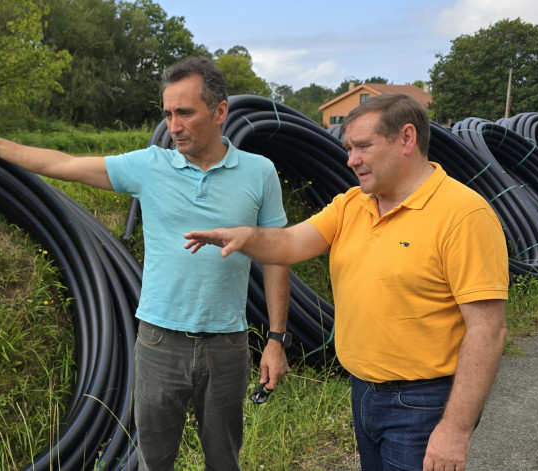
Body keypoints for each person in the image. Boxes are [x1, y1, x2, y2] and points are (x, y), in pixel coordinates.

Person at [0, 56, 291, 470]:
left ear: (220, 112)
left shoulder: (259, 172)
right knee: (153, 461)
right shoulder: (150, 166)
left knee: (224, 460)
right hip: (159, 343)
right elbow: (64, 164)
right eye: (167, 114)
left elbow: (278, 255)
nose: (173, 126)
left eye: (185, 112)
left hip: (228, 344)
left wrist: (275, 339)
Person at [183, 93, 509, 471]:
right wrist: (245, 236)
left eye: (363, 147)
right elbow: (289, 243)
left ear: (407, 139)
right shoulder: (353, 204)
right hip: (363, 390)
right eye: (348, 148)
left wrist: (454, 429)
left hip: (424, 403)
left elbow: (488, 329)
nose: (351, 160)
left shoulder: (463, 215)